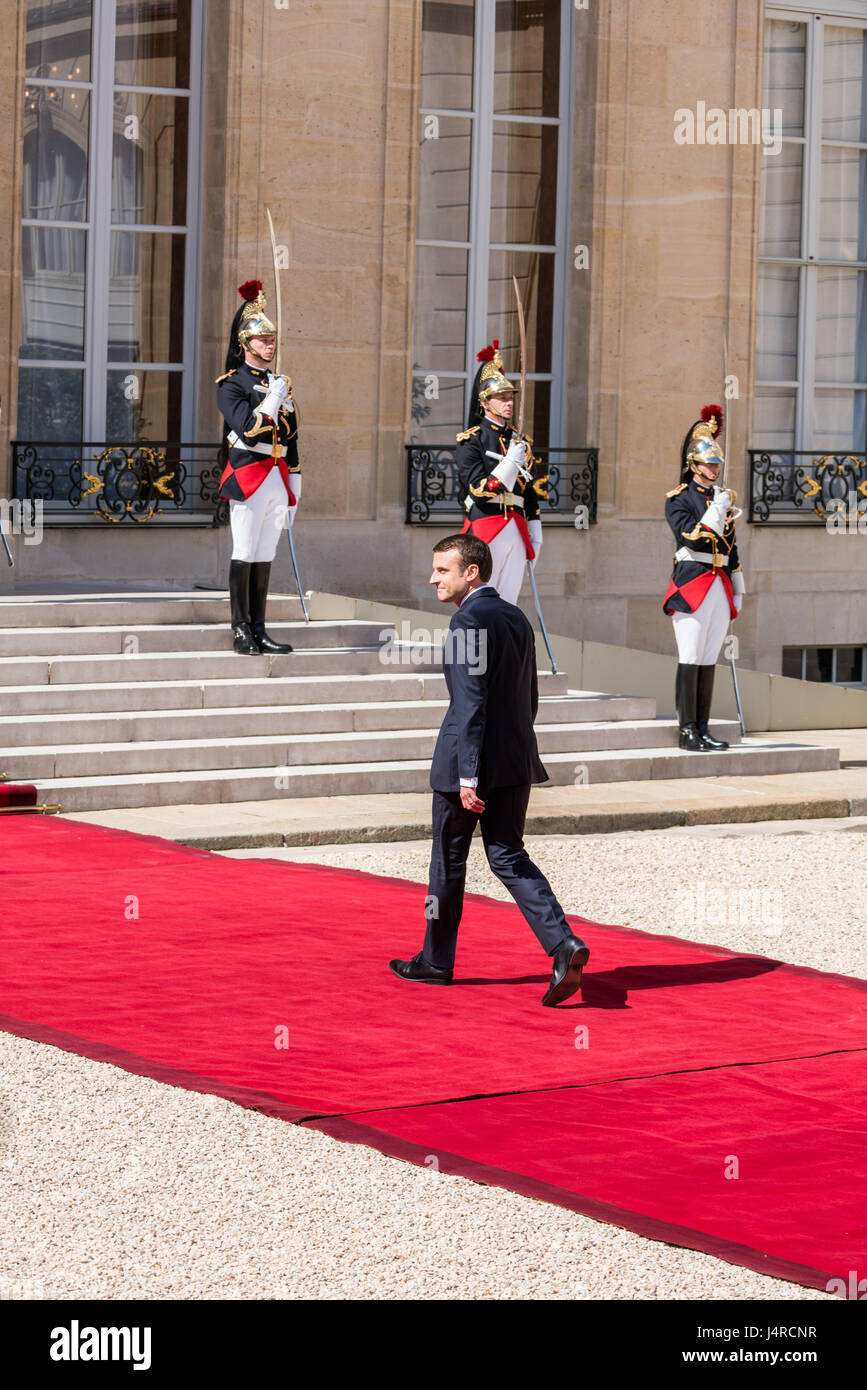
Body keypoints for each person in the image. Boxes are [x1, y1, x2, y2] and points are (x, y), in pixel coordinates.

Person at [389, 533, 589, 1007]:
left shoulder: (467, 620)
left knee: (448, 860)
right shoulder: (515, 617)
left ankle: (435, 961)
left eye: (443, 570)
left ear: (471, 572)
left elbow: (470, 702)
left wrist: (468, 775)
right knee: (508, 856)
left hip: (470, 766)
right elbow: (528, 698)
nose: (433, 578)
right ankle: (563, 944)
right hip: (514, 761)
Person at [215, 279, 301, 655]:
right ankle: (240, 630)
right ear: (245, 344)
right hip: (249, 476)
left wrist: (295, 486)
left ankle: (260, 628)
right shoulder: (231, 385)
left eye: (272, 339)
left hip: (276, 478)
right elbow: (249, 432)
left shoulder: (278, 383)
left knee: (266, 554)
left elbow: (292, 438)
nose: (270, 345)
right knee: (245, 550)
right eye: (263, 339)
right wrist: (273, 400)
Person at [662, 404, 745, 751]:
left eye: (716, 464)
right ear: (693, 465)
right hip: (692, 583)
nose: (715, 468)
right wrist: (716, 511)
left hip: (719, 584)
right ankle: (687, 731)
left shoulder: (721, 498)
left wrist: (738, 588)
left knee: (710, 658)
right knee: (691, 656)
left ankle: (703, 728)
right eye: (709, 464)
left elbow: (731, 549)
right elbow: (691, 538)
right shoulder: (679, 499)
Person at [454, 341, 546, 605]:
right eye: (502, 398)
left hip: (517, 526)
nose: (509, 403)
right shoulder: (471, 440)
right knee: (480, 599)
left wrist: (535, 530)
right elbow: (479, 490)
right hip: (487, 524)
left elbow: (529, 491)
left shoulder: (519, 440)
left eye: (510, 398)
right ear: (485, 402)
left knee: (508, 601)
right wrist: (509, 463)